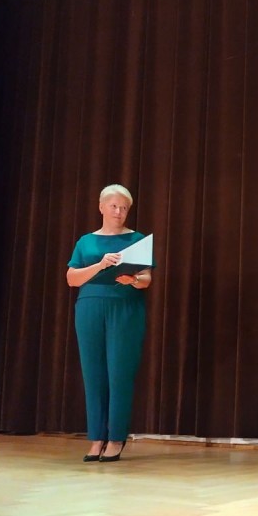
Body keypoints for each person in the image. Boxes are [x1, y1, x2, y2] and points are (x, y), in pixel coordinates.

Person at [66, 184, 151, 463]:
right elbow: (72, 278)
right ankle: (96, 438)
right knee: (93, 374)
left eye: (124, 208)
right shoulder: (86, 242)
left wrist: (133, 279)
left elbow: (146, 279)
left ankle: (115, 438)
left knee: (119, 373)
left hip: (125, 308)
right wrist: (101, 265)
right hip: (90, 307)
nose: (118, 212)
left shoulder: (136, 239)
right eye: (114, 206)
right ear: (101, 207)